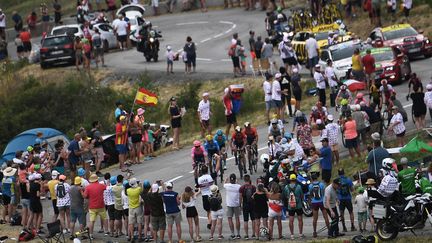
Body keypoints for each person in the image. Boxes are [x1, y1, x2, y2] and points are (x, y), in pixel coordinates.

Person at [84, 174, 108, 239]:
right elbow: (106, 187)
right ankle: (106, 231)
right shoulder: (101, 185)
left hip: (92, 206)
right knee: (105, 218)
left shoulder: (88, 187)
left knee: (92, 221)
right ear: (97, 179)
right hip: (101, 205)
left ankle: (91, 234)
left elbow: (85, 196)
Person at [283, 174, 304, 240]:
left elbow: (285, 196)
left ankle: (292, 235)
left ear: (290, 179)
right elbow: (302, 196)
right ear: (295, 179)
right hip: (298, 205)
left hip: (290, 206)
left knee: (291, 220)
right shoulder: (299, 187)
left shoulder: (286, 187)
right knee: (300, 219)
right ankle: (300, 234)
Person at [308, 172, 329, 237]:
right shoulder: (321, 184)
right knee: (325, 217)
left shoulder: (310, 186)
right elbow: (324, 193)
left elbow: (310, 195)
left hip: (314, 202)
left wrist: (311, 201)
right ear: (317, 178)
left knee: (315, 218)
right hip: (321, 201)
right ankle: (329, 230)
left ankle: (314, 232)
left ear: (312, 178)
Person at [223, 174, 241, 239]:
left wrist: (225, 180)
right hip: (236, 204)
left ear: (230, 179)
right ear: (235, 179)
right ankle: (238, 234)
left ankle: (232, 234)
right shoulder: (238, 186)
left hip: (229, 204)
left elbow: (224, 184)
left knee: (230, 218)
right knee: (237, 218)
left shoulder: (227, 185)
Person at [239, 174, 256, 240]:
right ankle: (253, 234)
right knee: (253, 220)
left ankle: (246, 235)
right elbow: (255, 196)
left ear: (244, 180)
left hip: (245, 205)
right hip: (252, 205)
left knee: (245, 220)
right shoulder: (253, 187)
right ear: (249, 179)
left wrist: (240, 205)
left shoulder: (242, 188)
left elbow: (240, 197)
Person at [198, 165, 214, 230]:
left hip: (204, 195)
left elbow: (200, 186)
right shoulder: (209, 177)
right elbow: (212, 184)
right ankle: (209, 223)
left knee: (208, 210)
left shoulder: (199, 179)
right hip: (210, 194)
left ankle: (209, 221)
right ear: (207, 170)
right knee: (211, 211)